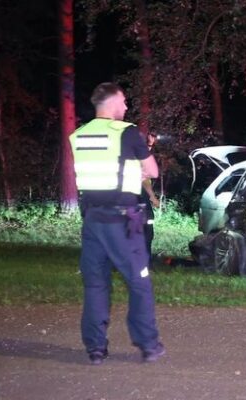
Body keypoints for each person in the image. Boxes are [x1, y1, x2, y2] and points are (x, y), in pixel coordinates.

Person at [69, 82, 165, 365]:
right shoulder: (126, 132)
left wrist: (132, 164)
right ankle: (148, 345)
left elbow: (105, 168)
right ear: (111, 103)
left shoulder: (79, 134)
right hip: (122, 221)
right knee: (139, 282)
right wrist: (140, 161)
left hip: (92, 220)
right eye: (123, 101)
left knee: (96, 285)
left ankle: (95, 349)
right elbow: (152, 171)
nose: (125, 106)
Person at [140, 132, 160, 268]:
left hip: (126, 197)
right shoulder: (139, 157)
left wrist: (150, 144)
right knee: (147, 230)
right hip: (140, 197)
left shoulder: (126, 155)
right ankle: (145, 263)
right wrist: (152, 197)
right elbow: (145, 179)